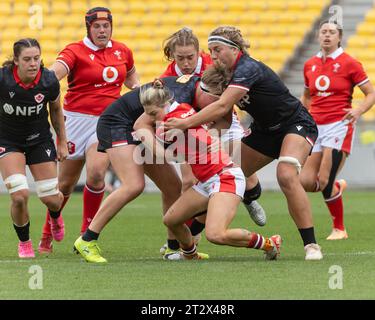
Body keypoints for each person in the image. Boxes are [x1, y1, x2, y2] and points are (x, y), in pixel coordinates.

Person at [164, 26, 323, 260]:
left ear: (234, 49)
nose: (213, 55)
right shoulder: (222, 72)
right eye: (210, 50)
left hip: (294, 123)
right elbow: (221, 114)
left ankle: (311, 245)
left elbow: (220, 106)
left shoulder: (246, 68)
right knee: (221, 175)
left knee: (286, 174)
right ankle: (193, 239)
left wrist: (186, 124)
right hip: (263, 131)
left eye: (217, 49)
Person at [72, 75, 216, 263]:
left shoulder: (192, 93)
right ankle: (87, 239)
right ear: (205, 90)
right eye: (216, 98)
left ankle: (172, 248)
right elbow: (140, 124)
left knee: (172, 187)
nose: (216, 103)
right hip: (116, 124)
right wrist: (164, 154)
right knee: (133, 185)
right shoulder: (180, 95)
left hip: (137, 129)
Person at [139, 79, 281, 260]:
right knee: (171, 220)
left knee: (215, 234)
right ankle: (190, 255)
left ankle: (270, 243)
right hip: (207, 181)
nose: (152, 119)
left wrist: (201, 140)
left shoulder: (178, 115)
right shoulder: (174, 116)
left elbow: (194, 136)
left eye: (153, 113)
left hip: (225, 177)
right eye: (149, 115)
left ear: (165, 105)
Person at [38, 7, 140, 254]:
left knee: (96, 174)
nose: (102, 30)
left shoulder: (122, 51)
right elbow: (56, 73)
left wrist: (144, 91)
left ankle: (86, 236)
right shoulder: (75, 51)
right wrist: (44, 82)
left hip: (107, 121)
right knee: (64, 185)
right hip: (75, 121)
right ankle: (47, 232)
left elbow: (132, 81)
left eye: (106, 26)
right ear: (89, 28)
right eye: (97, 26)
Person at [159, 28, 266, 256]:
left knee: (243, 174)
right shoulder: (168, 77)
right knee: (189, 181)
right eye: (180, 58)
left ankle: (248, 199)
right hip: (192, 129)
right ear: (172, 56)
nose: (186, 63)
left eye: (191, 57)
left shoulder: (213, 64)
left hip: (223, 123)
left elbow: (228, 99)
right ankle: (181, 241)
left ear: (200, 53)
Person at [300, 21, 375, 240]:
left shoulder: (350, 63)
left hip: (338, 126)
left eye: (332, 32)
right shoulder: (310, 64)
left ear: (339, 37)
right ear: (317, 36)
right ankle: (336, 187)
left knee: (323, 180)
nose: (327, 36)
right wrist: (302, 116)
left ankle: (339, 229)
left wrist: (358, 110)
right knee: (305, 181)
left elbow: (371, 93)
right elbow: (306, 95)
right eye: (323, 32)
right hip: (316, 127)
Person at [0, 38, 68, 258]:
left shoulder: (48, 80)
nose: (33, 63)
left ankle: (55, 216)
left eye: (36, 58)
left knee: (51, 199)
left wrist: (62, 141)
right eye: (27, 59)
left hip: (39, 140)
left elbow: (56, 111)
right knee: (19, 196)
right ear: (16, 62)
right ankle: (25, 242)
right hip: (8, 141)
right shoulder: (3, 79)